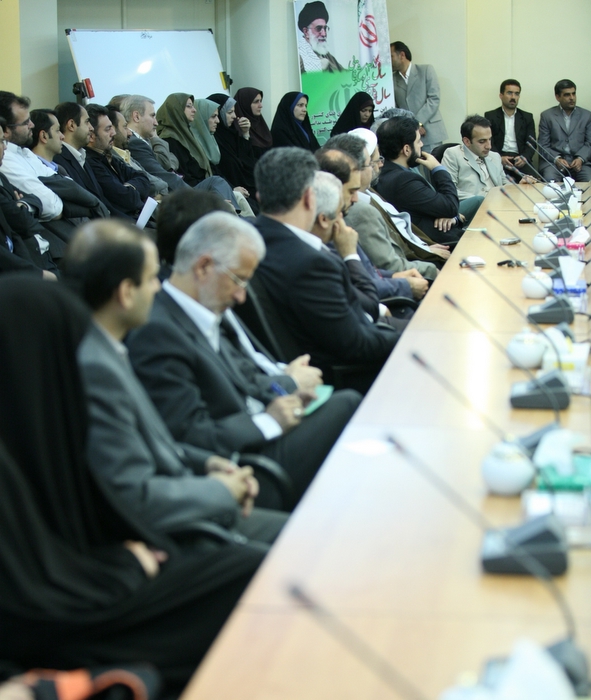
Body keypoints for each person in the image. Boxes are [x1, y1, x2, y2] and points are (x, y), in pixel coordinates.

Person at [0, 276, 283, 697]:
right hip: (72, 632)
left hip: (100, 594)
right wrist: (128, 566)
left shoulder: (36, 423)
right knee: (252, 575)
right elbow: (35, 598)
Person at [126, 211, 361, 508]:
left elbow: (249, 378)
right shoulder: (158, 333)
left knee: (344, 405)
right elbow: (188, 435)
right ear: (204, 267)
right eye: (239, 280)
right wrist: (269, 421)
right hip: (244, 468)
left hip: (261, 434)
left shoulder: (204, 310)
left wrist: (285, 390)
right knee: (349, 403)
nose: (241, 296)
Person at [253, 147, 400, 392]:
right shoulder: (309, 263)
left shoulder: (250, 240)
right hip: (352, 377)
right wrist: (412, 339)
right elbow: (356, 344)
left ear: (259, 196)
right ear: (310, 198)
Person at [326, 130, 440, 280]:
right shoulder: (359, 208)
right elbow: (389, 266)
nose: (380, 164)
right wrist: (434, 270)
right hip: (410, 276)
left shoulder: (369, 191)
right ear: (357, 169)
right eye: (372, 162)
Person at [376, 115, 462, 245]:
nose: (422, 144)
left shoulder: (385, 172)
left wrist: (454, 217)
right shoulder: (404, 181)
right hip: (443, 244)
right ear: (406, 149)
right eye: (418, 141)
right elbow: (450, 207)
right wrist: (438, 168)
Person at [156, 93, 244, 211]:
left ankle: (236, 216)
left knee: (237, 196)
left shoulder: (186, 135)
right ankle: (233, 216)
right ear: (176, 109)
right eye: (189, 106)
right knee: (217, 182)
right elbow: (181, 176)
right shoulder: (170, 139)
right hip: (188, 192)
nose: (194, 110)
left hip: (199, 187)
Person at [442, 115, 535, 208]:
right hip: (473, 208)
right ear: (467, 141)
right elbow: (449, 191)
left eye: (489, 139)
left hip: (498, 206)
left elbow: (504, 183)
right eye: (482, 141)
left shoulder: (495, 156)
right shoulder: (453, 154)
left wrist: (518, 187)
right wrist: (483, 199)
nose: (489, 146)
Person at [0, 91, 63, 221]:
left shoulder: (25, 152)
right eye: (26, 122)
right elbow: (52, 207)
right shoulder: (5, 160)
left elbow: (68, 186)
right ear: (5, 130)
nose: (32, 125)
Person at [85, 104, 151, 219]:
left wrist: (129, 187)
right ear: (91, 136)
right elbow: (127, 200)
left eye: (112, 127)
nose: (113, 133)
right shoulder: (91, 164)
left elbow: (143, 178)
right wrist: (133, 192)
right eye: (107, 129)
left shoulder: (109, 157)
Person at [389, 41, 447, 153]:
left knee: (432, 163)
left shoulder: (426, 70)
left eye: (391, 56)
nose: (389, 61)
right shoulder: (392, 79)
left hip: (430, 132)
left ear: (402, 55)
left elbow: (434, 99)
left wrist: (417, 122)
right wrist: (411, 126)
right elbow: (396, 108)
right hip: (408, 137)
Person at [538, 79, 591, 182]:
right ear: (557, 97)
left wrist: (580, 158)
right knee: (550, 181)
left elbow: (589, 143)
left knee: (589, 181)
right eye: (567, 95)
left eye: (573, 94)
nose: (572, 98)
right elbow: (543, 145)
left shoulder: (587, 115)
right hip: (554, 163)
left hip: (581, 163)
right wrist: (557, 159)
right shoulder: (547, 116)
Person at [207, 92, 258, 200]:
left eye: (234, 112)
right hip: (231, 193)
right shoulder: (212, 141)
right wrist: (232, 188)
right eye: (230, 112)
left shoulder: (231, 134)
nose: (234, 116)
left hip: (245, 190)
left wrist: (245, 134)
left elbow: (247, 162)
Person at [484, 79, 537, 179]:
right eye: (509, 93)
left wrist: (524, 157)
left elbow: (531, 143)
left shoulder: (527, 117)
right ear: (501, 95)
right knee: (495, 180)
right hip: (499, 158)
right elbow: (489, 142)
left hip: (520, 158)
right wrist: (499, 158)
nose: (513, 97)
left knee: (533, 181)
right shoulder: (491, 116)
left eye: (516, 94)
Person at [297, 1, 344, 73]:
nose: (324, 34)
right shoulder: (299, 57)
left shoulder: (326, 55)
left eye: (325, 28)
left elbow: (345, 74)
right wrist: (321, 68)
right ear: (306, 32)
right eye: (318, 28)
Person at [233, 88, 273, 161]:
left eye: (260, 101)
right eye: (256, 102)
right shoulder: (235, 128)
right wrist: (245, 134)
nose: (260, 105)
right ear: (245, 104)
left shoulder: (261, 125)